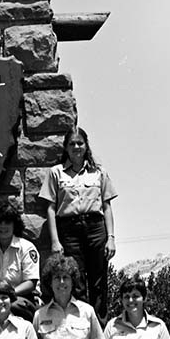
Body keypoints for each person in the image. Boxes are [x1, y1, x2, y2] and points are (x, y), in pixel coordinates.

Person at [40, 127, 117, 316]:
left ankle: (99, 327)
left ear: (86, 146)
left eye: (80, 143)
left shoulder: (99, 173)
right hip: (69, 230)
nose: (76, 147)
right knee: (76, 280)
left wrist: (111, 238)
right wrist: (55, 241)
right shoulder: (56, 173)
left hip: (95, 228)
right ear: (66, 147)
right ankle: (82, 326)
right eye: (72, 143)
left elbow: (107, 206)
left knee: (99, 281)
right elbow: (50, 208)